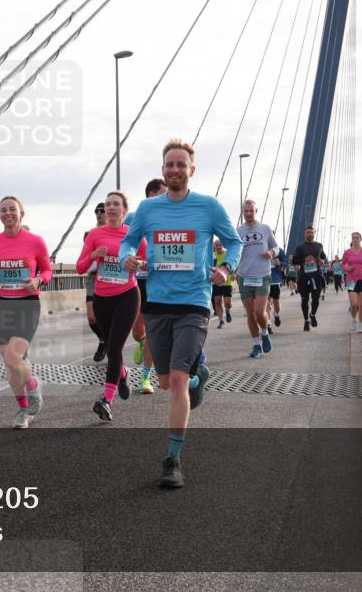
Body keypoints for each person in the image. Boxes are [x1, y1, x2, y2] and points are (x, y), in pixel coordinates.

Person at [120, 138, 241, 488]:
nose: (175, 169)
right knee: (163, 381)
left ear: (192, 169)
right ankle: (196, 378)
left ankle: (173, 459)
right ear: (163, 170)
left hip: (194, 302)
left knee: (174, 381)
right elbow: (129, 240)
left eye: (181, 164)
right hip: (158, 302)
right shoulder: (147, 208)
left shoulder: (209, 207)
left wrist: (226, 267)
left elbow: (234, 242)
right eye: (169, 165)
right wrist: (128, 254)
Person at [0, 196, 52, 429]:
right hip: (2, 304)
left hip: (28, 304)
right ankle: (22, 410)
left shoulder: (35, 241)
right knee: (10, 363)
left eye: (12, 209)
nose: (8, 213)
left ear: (21, 214)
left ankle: (32, 385)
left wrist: (38, 280)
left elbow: (48, 271)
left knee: (13, 357)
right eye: (3, 210)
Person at [77, 191, 146, 421]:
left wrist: (138, 263)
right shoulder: (95, 234)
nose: (111, 208)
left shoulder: (133, 234)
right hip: (102, 298)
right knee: (111, 347)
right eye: (107, 204)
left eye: (116, 204)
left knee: (115, 348)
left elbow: (148, 261)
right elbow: (79, 266)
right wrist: (94, 255)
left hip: (127, 295)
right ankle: (122, 373)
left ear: (124, 210)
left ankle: (106, 400)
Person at [125, 178, 166, 394]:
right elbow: (124, 244)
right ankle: (140, 342)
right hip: (136, 280)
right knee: (137, 330)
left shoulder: (169, 216)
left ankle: (145, 378)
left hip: (156, 280)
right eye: (162, 193)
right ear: (151, 195)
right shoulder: (132, 217)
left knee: (152, 329)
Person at [235, 200, 279, 358]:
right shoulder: (238, 230)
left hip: (262, 274)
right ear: (242, 212)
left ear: (256, 211)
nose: (248, 214)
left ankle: (265, 333)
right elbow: (234, 250)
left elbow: (276, 247)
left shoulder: (265, 229)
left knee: (260, 312)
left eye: (251, 211)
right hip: (244, 275)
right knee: (250, 313)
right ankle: (255, 344)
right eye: (245, 211)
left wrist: (271, 253)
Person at [291, 225, 327, 332]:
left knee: (316, 299)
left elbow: (323, 257)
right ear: (305, 234)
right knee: (304, 300)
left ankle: (312, 314)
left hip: (316, 276)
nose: (310, 234)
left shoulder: (319, 245)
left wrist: (322, 261)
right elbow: (294, 261)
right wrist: (303, 261)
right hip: (304, 277)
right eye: (308, 232)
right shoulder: (300, 247)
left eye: (311, 232)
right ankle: (306, 321)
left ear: (314, 233)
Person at [85, 202, 107, 362]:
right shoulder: (90, 234)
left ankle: (110, 343)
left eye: (102, 211)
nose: (99, 213)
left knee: (109, 318)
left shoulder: (116, 232)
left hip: (110, 276)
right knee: (92, 317)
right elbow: (84, 257)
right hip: (93, 277)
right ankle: (103, 339)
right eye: (97, 211)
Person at [211, 239, 234, 329]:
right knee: (217, 301)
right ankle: (221, 321)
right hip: (216, 282)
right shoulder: (212, 256)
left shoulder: (227, 254)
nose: (219, 247)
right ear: (214, 247)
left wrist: (233, 274)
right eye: (217, 245)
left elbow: (233, 264)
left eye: (220, 245)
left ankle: (227, 310)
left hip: (227, 282)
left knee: (227, 302)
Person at [267, 245, 289, 328]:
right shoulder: (260, 249)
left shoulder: (279, 250)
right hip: (263, 279)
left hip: (275, 280)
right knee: (266, 302)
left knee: (276, 303)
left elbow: (286, 263)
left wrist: (280, 263)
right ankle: (268, 324)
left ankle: (276, 314)